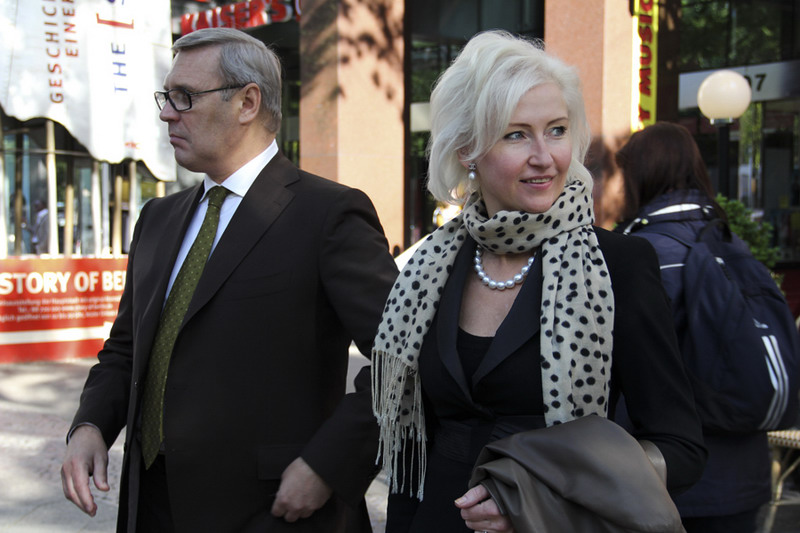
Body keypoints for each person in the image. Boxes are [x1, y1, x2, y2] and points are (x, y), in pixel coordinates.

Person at [60, 27, 398, 533]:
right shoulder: (157, 218)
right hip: (150, 504)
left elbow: (403, 357)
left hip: (274, 512)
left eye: (185, 97)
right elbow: (127, 347)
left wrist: (328, 465)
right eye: (167, 96)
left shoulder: (328, 214)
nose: (167, 113)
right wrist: (90, 425)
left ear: (247, 102)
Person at [370, 31, 707, 533]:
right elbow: (408, 444)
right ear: (467, 149)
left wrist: (541, 491)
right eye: (516, 134)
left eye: (556, 130)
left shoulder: (620, 264)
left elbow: (681, 448)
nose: (544, 156)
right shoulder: (430, 269)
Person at [615, 121, 771, 533]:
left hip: (681, 481)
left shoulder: (645, 253)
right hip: (746, 473)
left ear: (639, 175)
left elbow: (635, 373)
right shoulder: (728, 240)